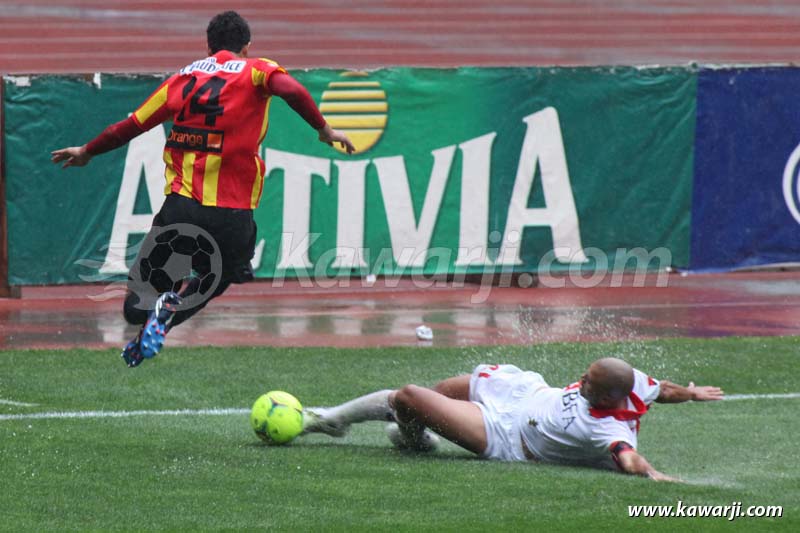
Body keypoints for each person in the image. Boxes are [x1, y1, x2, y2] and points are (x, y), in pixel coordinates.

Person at [51, 11, 355, 367]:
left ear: (209, 46)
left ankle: (154, 308)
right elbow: (292, 89)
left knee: (135, 307)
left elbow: (129, 126)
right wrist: (324, 129)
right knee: (223, 274)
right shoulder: (257, 69)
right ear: (246, 46)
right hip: (232, 214)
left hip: (180, 209)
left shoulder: (183, 78)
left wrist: (87, 151)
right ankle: (168, 315)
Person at [302, 357, 724, 481]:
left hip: (507, 436)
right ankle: (413, 430)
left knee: (410, 397)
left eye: (587, 383)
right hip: (524, 393)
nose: (579, 380)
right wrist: (691, 393)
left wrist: (653, 474)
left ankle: (337, 421)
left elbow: (627, 456)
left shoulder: (607, 429)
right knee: (443, 388)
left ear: (609, 396)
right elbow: (662, 388)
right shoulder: (632, 383)